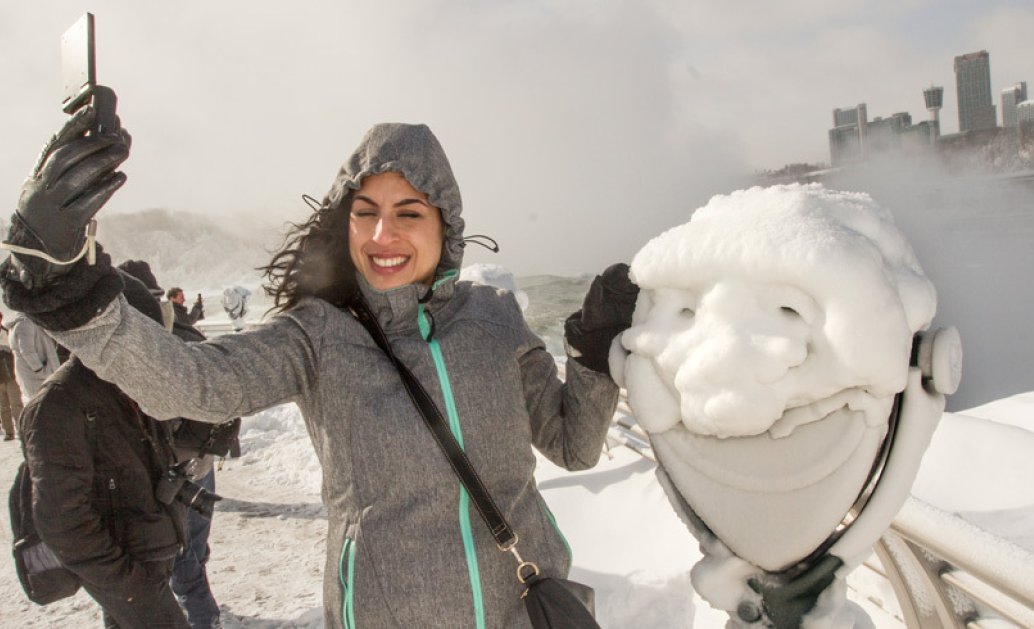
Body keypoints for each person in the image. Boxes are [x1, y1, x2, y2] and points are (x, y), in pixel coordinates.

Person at [1, 111, 637, 628]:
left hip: (523, 613)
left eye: (410, 212)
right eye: (366, 211)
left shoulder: (494, 319)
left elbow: (574, 446)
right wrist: (68, 292)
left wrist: (591, 353)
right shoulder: (318, 335)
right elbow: (196, 383)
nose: (383, 233)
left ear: (448, 226)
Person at [16, 271, 203, 629]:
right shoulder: (58, 406)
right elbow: (63, 523)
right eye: (143, 341)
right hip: (128, 575)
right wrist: (131, 586)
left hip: (150, 557)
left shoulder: (124, 385)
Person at [118, 259, 224, 629]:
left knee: (178, 554)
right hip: (201, 459)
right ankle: (202, 606)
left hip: (168, 468)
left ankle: (202, 617)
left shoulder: (141, 341)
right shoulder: (184, 328)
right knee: (194, 544)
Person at [8, 312, 62, 403]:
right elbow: (27, 351)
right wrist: (40, 370)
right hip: (35, 375)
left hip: (28, 372)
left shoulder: (17, 325)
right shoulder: (25, 323)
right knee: (45, 403)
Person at [0, 311, 23, 440]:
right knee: (3, 407)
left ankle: (22, 430)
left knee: (16, 405)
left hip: (11, 376)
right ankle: (9, 432)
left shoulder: (8, 333)